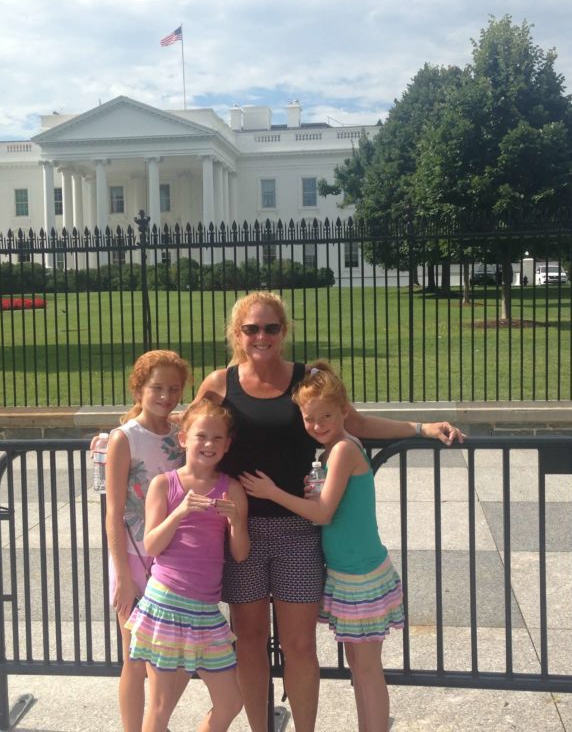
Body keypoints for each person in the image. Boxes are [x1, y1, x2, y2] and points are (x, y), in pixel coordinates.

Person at [193, 291, 463, 732]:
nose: (261, 337)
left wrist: (421, 428)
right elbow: (189, 432)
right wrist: (123, 439)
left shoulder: (306, 379)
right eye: (251, 329)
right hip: (240, 529)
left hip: (299, 530)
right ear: (237, 334)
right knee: (251, 643)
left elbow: (354, 423)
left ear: (284, 331)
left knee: (300, 645)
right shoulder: (220, 383)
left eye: (271, 328)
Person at [240, 361, 403, 732]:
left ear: (344, 411)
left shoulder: (344, 449)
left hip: (360, 571)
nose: (317, 425)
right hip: (349, 570)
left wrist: (272, 493)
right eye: (309, 418)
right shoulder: (331, 452)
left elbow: (324, 513)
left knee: (365, 669)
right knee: (360, 668)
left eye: (326, 415)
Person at [124, 397, 250, 732]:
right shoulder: (165, 484)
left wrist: (236, 522)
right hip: (168, 603)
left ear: (227, 445)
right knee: (162, 705)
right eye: (201, 436)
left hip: (205, 611)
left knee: (230, 703)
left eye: (217, 438)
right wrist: (179, 513)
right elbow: (151, 544)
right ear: (184, 439)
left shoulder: (232, 488)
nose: (208, 444)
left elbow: (240, 553)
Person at [97, 349, 190, 732]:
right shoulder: (124, 438)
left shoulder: (180, 434)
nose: (165, 396)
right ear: (139, 388)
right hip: (134, 557)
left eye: (173, 388)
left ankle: (157, 723)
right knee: (135, 657)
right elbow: (113, 512)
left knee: (175, 655)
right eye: (157, 388)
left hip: (172, 558)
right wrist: (121, 574)